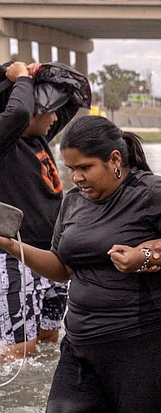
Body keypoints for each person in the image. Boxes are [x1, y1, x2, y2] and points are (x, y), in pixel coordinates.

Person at [0, 116, 161, 413]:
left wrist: (147, 256)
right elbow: (62, 268)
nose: (76, 177)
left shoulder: (157, 194)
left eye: (85, 167)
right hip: (82, 346)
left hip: (149, 345)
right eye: (70, 168)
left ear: (115, 160)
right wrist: (14, 248)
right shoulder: (74, 201)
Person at [0, 62, 69, 359]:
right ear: (31, 111)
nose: (55, 118)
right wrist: (22, 79)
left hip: (50, 256)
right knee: (19, 348)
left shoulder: (39, 138)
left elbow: (73, 101)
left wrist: (40, 73)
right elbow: (16, 114)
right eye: (48, 110)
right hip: (13, 256)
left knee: (48, 338)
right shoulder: (5, 143)